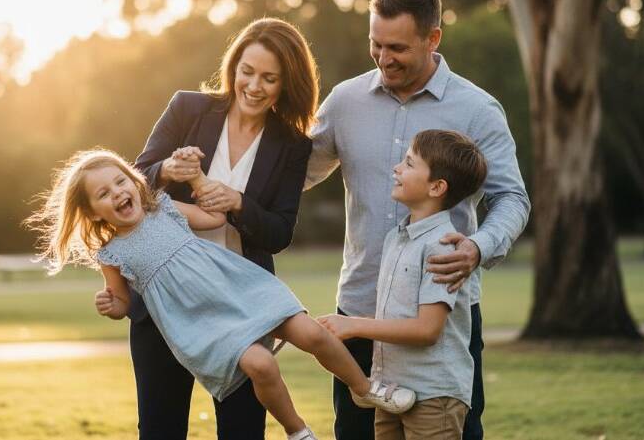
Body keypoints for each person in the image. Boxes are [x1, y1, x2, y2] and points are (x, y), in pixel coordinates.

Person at [29, 149, 416, 440]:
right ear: (94, 212)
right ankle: (298, 431)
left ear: (134, 181)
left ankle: (364, 389)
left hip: (237, 288)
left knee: (314, 333)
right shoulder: (111, 253)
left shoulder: (162, 207)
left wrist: (198, 181)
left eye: (120, 182)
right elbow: (124, 302)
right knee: (261, 366)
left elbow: (214, 218)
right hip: (202, 322)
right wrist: (111, 306)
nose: (116, 193)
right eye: (103, 194)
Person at [306, 0, 530, 440]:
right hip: (359, 314)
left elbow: (511, 198)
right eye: (376, 44)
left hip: (444, 323)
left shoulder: (478, 110)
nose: (384, 58)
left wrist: (478, 247)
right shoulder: (344, 102)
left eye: (398, 48)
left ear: (433, 39)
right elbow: (294, 174)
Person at [131, 17, 321, 440]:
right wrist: (165, 169)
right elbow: (134, 181)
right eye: (247, 72)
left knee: (243, 431)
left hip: (241, 307)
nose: (254, 86)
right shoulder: (188, 108)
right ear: (233, 67)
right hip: (165, 300)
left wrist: (238, 204)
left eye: (269, 78)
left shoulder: (293, 145)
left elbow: (279, 233)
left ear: (286, 84)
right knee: (160, 430)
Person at [320, 129, 488, 440]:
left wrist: (354, 325)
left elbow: (427, 330)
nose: (397, 168)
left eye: (409, 164)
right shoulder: (397, 238)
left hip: (433, 397)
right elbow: (398, 318)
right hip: (392, 392)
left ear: (437, 186)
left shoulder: (442, 248)